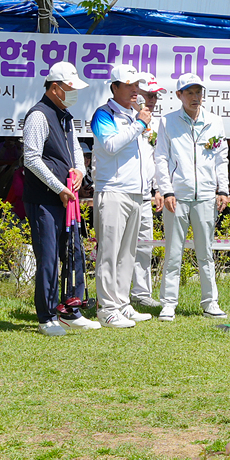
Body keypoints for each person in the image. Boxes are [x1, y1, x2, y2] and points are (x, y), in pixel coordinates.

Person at [22, 63, 98, 336]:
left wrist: (79, 171)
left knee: (74, 252)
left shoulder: (65, 115)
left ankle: (71, 308)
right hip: (45, 199)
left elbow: (77, 150)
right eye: (70, 88)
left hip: (68, 197)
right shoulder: (38, 116)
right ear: (55, 87)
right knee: (49, 257)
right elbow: (31, 158)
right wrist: (58, 188)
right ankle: (46, 316)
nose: (74, 93)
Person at [155, 73, 229, 321]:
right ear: (179, 96)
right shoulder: (167, 122)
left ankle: (211, 302)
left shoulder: (215, 121)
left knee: (205, 253)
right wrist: (166, 190)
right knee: (173, 252)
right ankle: (168, 303)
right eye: (189, 92)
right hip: (177, 196)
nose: (195, 97)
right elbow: (161, 158)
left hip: (207, 196)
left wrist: (223, 189)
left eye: (198, 92)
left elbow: (221, 158)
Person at [91, 64, 154, 328]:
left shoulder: (136, 115)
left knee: (128, 252)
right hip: (113, 191)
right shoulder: (103, 114)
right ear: (114, 87)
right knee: (109, 252)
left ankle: (122, 303)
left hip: (136, 192)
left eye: (136, 85)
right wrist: (140, 123)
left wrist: (139, 122)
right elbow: (111, 145)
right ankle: (106, 308)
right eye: (128, 85)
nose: (134, 90)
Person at [131, 73, 167, 309]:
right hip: (122, 193)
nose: (153, 100)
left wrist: (158, 189)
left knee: (145, 245)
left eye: (155, 96)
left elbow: (159, 159)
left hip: (146, 194)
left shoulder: (158, 123)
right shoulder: (121, 118)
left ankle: (141, 293)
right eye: (148, 95)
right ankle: (118, 295)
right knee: (120, 248)